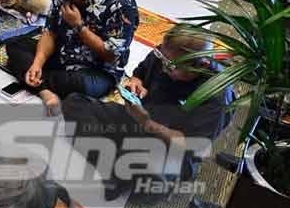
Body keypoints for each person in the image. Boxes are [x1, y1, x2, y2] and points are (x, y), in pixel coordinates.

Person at [63, 26, 228, 199]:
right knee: (74, 104)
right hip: (138, 117)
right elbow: (139, 73)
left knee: (154, 180)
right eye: (161, 58)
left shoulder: (217, 95)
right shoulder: (166, 53)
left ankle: (115, 165)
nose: (163, 67)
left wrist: (147, 123)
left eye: (170, 66)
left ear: (201, 65)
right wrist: (135, 83)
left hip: (167, 146)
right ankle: (114, 168)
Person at [5, 0, 138, 117]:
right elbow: (50, 32)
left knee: (81, 86)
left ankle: (33, 79)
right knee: (15, 45)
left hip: (95, 70)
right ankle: (45, 91)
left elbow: (111, 55)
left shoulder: (120, 3)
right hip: (62, 55)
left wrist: (79, 26)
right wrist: (38, 63)